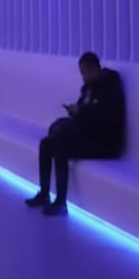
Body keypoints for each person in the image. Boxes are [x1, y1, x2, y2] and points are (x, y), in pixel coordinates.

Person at [25, 52, 126, 216]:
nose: (83, 77)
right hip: (88, 135)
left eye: (84, 73)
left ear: (93, 69)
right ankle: (44, 194)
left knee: (61, 147)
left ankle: (61, 202)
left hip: (104, 142)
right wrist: (76, 111)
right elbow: (86, 111)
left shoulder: (110, 87)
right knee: (46, 144)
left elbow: (106, 117)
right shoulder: (89, 88)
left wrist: (81, 112)